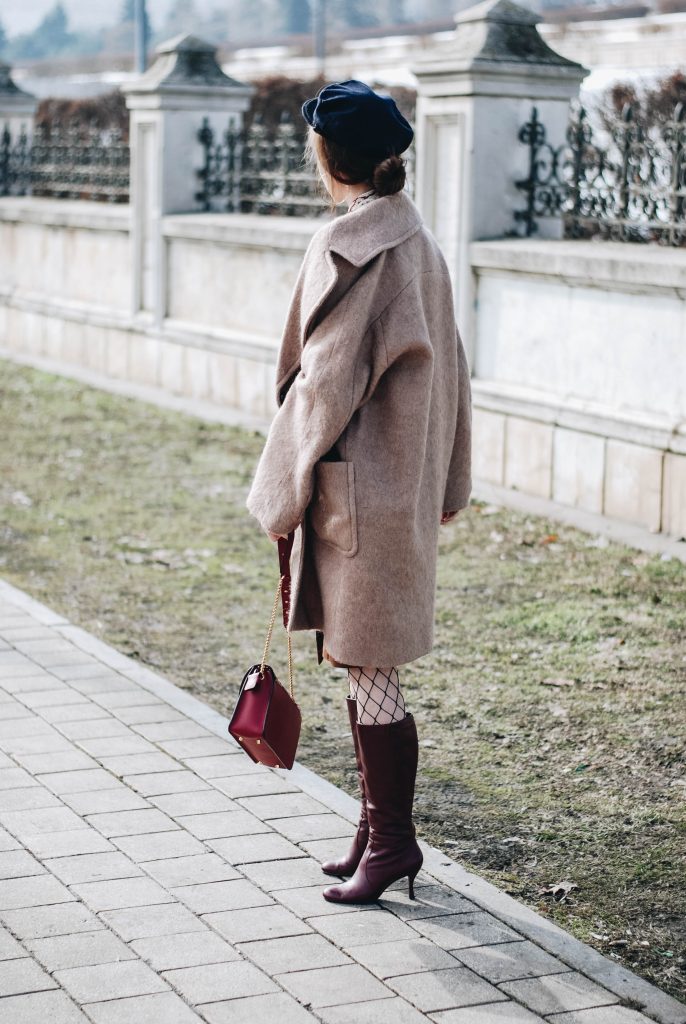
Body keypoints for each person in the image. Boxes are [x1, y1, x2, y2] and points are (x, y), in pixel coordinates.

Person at [246, 79, 472, 904]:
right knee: (358, 661)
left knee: (371, 668)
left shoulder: (353, 247)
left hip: (361, 491)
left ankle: (396, 845)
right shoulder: (416, 241)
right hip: (392, 484)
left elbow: (322, 387)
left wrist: (276, 491)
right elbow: (455, 371)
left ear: (324, 156)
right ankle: (375, 830)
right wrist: (452, 478)